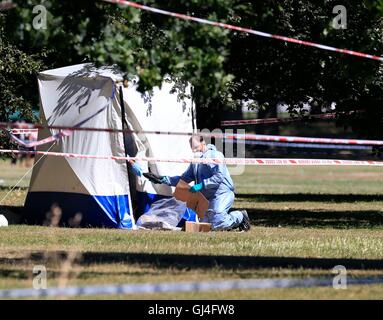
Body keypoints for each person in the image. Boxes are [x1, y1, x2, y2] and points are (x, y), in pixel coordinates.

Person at [153, 135, 250, 231]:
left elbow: (219, 176)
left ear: (203, 143)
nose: (194, 151)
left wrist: (201, 185)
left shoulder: (214, 155)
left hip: (221, 194)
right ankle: (226, 222)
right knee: (206, 226)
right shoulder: (196, 161)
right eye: (192, 148)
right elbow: (184, 179)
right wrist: (165, 180)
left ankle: (240, 216)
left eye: (196, 147)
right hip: (207, 198)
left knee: (217, 223)